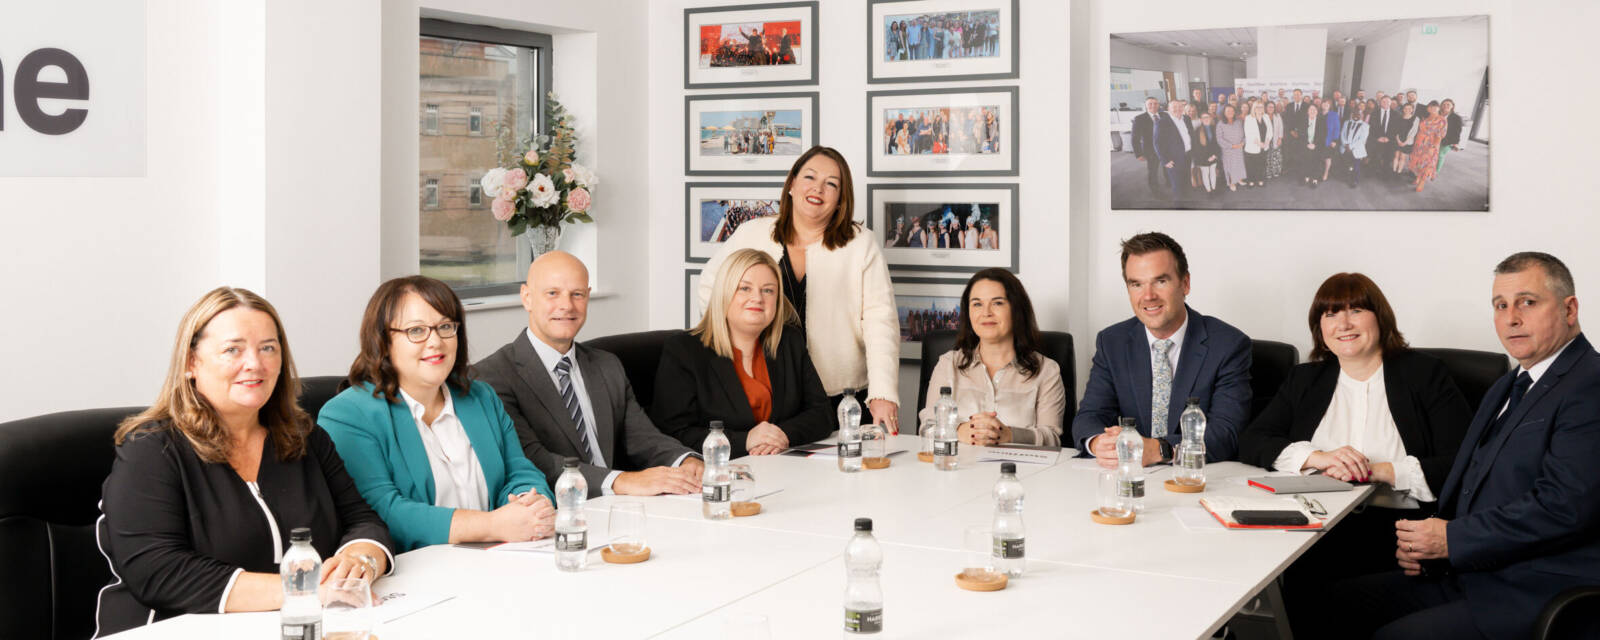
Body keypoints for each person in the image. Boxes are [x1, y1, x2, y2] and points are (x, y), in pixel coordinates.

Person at [1325, 253, 1600, 639]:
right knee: (1332, 602)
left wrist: (1451, 540)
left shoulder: (1590, 384)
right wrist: (1431, 545)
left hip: (1535, 588)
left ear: (1570, 309)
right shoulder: (1509, 385)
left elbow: (1564, 508)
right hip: (1476, 571)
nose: (1511, 318)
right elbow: (1474, 482)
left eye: (1528, 302)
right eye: (1500, 305)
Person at [95, 287, 394, 636]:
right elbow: (158, 571)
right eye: (232, 350)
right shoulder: (151, 449)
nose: (255, 363)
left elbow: (362, 519)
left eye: (268, 347)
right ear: (191, 362)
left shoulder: (305, 437)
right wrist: (306, 592)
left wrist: (359, 563)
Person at [1237, 273, 1470, 636]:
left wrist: (1378, 470)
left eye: (1355, 310)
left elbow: (1465, 461)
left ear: (1380, 317)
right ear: (1319, 328)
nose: (1343, 324)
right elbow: (1252, 439)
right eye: (1330, 314)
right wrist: (1317, 457)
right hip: (1317, 529)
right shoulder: (1305, 379)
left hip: (1400, 531)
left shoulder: (1425, 375)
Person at [318, 276, 556, 552]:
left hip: (500, 557)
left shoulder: (481, 397)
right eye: (416, 331)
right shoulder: (347, 414)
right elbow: (384, 512)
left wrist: (530, 503)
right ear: (383, 341)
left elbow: (519, 470)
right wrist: (492, 525)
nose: (435, 342)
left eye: (445, 327)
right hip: (413, 574)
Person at [699, 146, 901, 432]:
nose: (818, 188)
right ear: (792, 184)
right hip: (766, 393)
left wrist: (882, 394)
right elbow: (711, 286)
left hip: (840, 397)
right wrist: (737, 346)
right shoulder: (752, 232)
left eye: (831, 183)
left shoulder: (861, 243)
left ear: (841, 198)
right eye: (809, 177)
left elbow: (881, 322)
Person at [476, 252, 705, 498]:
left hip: (619, 508)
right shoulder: (492, 376)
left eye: (577, 294)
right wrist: (620, 481)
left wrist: (685, 461)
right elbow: (533, 460)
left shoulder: (607, 364)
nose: (567, 305)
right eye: (552, 293)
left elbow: (643, 437)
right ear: (527, 298)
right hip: (556, 512)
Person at [1072, 232, 1252, 466]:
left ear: (1185, 283)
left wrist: (1160, 449)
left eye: (1160, 281)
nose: (1148, 296)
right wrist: (1098, 443)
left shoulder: (1228, 345)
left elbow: (1227, 433)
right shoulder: (1112, 342)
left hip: (1196, 481)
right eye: (1136, 284)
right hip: (1128, 477)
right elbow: (1089, 416)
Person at [652, 249, 832, 457]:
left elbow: (822, 414)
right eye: (744, 288)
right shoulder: (684, 351)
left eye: (768, 290)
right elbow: (671, 434)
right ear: (724, 293)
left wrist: (783, 434)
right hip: (720, 474)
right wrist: (745, 440)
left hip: (784, 468)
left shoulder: (789, 341)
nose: (757, 298)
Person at [920, 269, 1067, 447]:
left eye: (997, 303)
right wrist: (959, 431)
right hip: (958, 469)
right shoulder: (949, 364)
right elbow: (927, 428)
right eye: (977, 304)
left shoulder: (1046, 370)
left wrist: (1009, 435)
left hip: (1021, 471)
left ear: (1017, 310)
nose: (986, 312)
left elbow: (1052, 438)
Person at [1154, 99, 1194, 202]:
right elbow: (1157, 143)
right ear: (1168, 109)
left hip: (1187, 155)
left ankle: (1187, 198)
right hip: (1173, 159)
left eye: (1180, 106)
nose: (1178, 109)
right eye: (1174, 107)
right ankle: (1179, 205)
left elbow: (1191, 135)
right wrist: (1165, 160)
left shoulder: (1186, 118)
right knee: (1177, 183)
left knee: (1186, 179)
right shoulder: (1162, 122)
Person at [1408, 101, 1447, 193]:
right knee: (1418, 162)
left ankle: (1422, 181)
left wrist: (1433, 146)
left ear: (1439, 108)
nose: (1433, 109)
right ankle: (1418, 177)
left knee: (1427, 164)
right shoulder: (1426, 118)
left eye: (1435, 107)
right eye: (1431, 107)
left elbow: (1440, 135)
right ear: (1428, 108)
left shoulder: (1442, 120)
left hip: (1430, 145)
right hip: (1419, 143)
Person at [1130, 97, 1164, 195]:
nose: (1153, 106)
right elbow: (1134, 138)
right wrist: (1138, 154)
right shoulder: (1139, 118)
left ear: (1158, 105)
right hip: (1150, 150)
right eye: (1150, 104)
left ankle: (1169, 183)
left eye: (1155, 103)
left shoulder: (1164, 115)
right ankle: (1155, 190)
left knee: (1167, 168)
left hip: (1165, 149)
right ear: (1146, 105)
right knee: (1153, 171)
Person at [1214, 104, 1246, 192]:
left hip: (1239, 148)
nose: (1230, 113)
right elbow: (1219, 139)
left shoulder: (1239, 122)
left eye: (1232, 111)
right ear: (1224, 113)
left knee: (1239, 164)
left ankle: (1239, 179)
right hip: (1228, 149)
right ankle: (1232, 182)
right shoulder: (1220, 124)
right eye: (1228, 111)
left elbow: (1244, 134)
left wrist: (1243, 142)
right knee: (1229, 166)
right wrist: (1231, 146)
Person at [1296, 103, 1329, 188]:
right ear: (1308, 111)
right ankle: (1306, 177)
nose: (1312, 111)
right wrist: (1307, 144)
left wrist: (1315, 145)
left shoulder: (1321, 121)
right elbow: (1300, 134)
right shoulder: (1303, 120)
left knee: (1316, 161)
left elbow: (1323, 135)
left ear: (1317, 112)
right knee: (1305, 161)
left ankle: (1314, 179)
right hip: (1305, 145)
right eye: (1311, 109)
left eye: (1314, 110)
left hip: (1317, 146)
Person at [1243, 101, 1273, 188]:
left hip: (1264, 146)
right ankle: (1251, 181)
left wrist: (1267, 142)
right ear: (1254, 108)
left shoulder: (1266, 117)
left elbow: (1270, 130)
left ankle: (1260, 179)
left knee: (1261, 164)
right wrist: (1259, 143)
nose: (1259, 109)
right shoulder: (1249, 118)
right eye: (1257, 107)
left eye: (1261, 107)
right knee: (1251, 165)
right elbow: (1248, 133)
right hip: (1252, 147)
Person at [1190, 112, 1222, 194]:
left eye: (1207, 117)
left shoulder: (1214, 128)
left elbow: (1218, 144)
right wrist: (1206, 158)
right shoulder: (1197, 131)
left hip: (1213, 156)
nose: (1206, 119)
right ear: (1201, 120)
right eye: (1204, 118)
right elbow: (1196, 147)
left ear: (1210, 118)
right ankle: (1209, 190)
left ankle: (1214, 188)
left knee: (1213, 173)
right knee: (1205, 174)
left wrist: (1214, 156)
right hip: (1203, 158)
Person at [1339, 107, 1370, 188]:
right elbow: (1342, 134)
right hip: (1345, 147)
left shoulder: (1365, 126)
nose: (1356, 115)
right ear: (1351, 114)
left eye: (1358, 114)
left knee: (1355, 166)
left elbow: (1362, 139)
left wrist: (1351, 146)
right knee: (1347, 164)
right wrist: (1345, 144)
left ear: (1362, 115)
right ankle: (1347, 177)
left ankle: (1354, 180)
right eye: (1354, 114)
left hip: (1356, 149)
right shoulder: (1346, 122)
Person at [1436, 98, 1464, 176]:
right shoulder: (1437, 113)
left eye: (1448, 104)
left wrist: (1455, 143)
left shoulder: (1456, 117)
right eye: (1444, 104)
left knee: (1440, 155)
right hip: (1434, 138)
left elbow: (1457, 132)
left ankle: (1435, 172)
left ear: (1452, 106)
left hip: (1447, 140)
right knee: (1432, 155)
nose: (1445, 106)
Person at [1392, 103, 1419, 177]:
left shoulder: (1416, 119)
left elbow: (1414, 132)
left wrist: (1405, 142)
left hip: (1407, 141)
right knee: (1396, 156)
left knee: (1402, 157)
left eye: (1409, 109)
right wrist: (1398, 140)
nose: (1407, 110)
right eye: (1405, 108)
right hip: (1398, 139)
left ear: (1412, 109)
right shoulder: (1399, 117)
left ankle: (1399, 172)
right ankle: (1394, 171)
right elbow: (1396, 130)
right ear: (1403, 109)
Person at [1265, 101, 1286, 180]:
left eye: (1272, 107)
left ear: (1274, 108)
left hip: (1276, 139)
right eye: (1269, 107)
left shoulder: (1277, 116)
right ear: (1266, 108)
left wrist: (1280, 138)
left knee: (1276, 157)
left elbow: (1281, 127)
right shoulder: (1263, 116)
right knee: (1267, 157)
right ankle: (1268, 172)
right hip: (1266, 141)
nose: (1271, 108)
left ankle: (1276, 171)